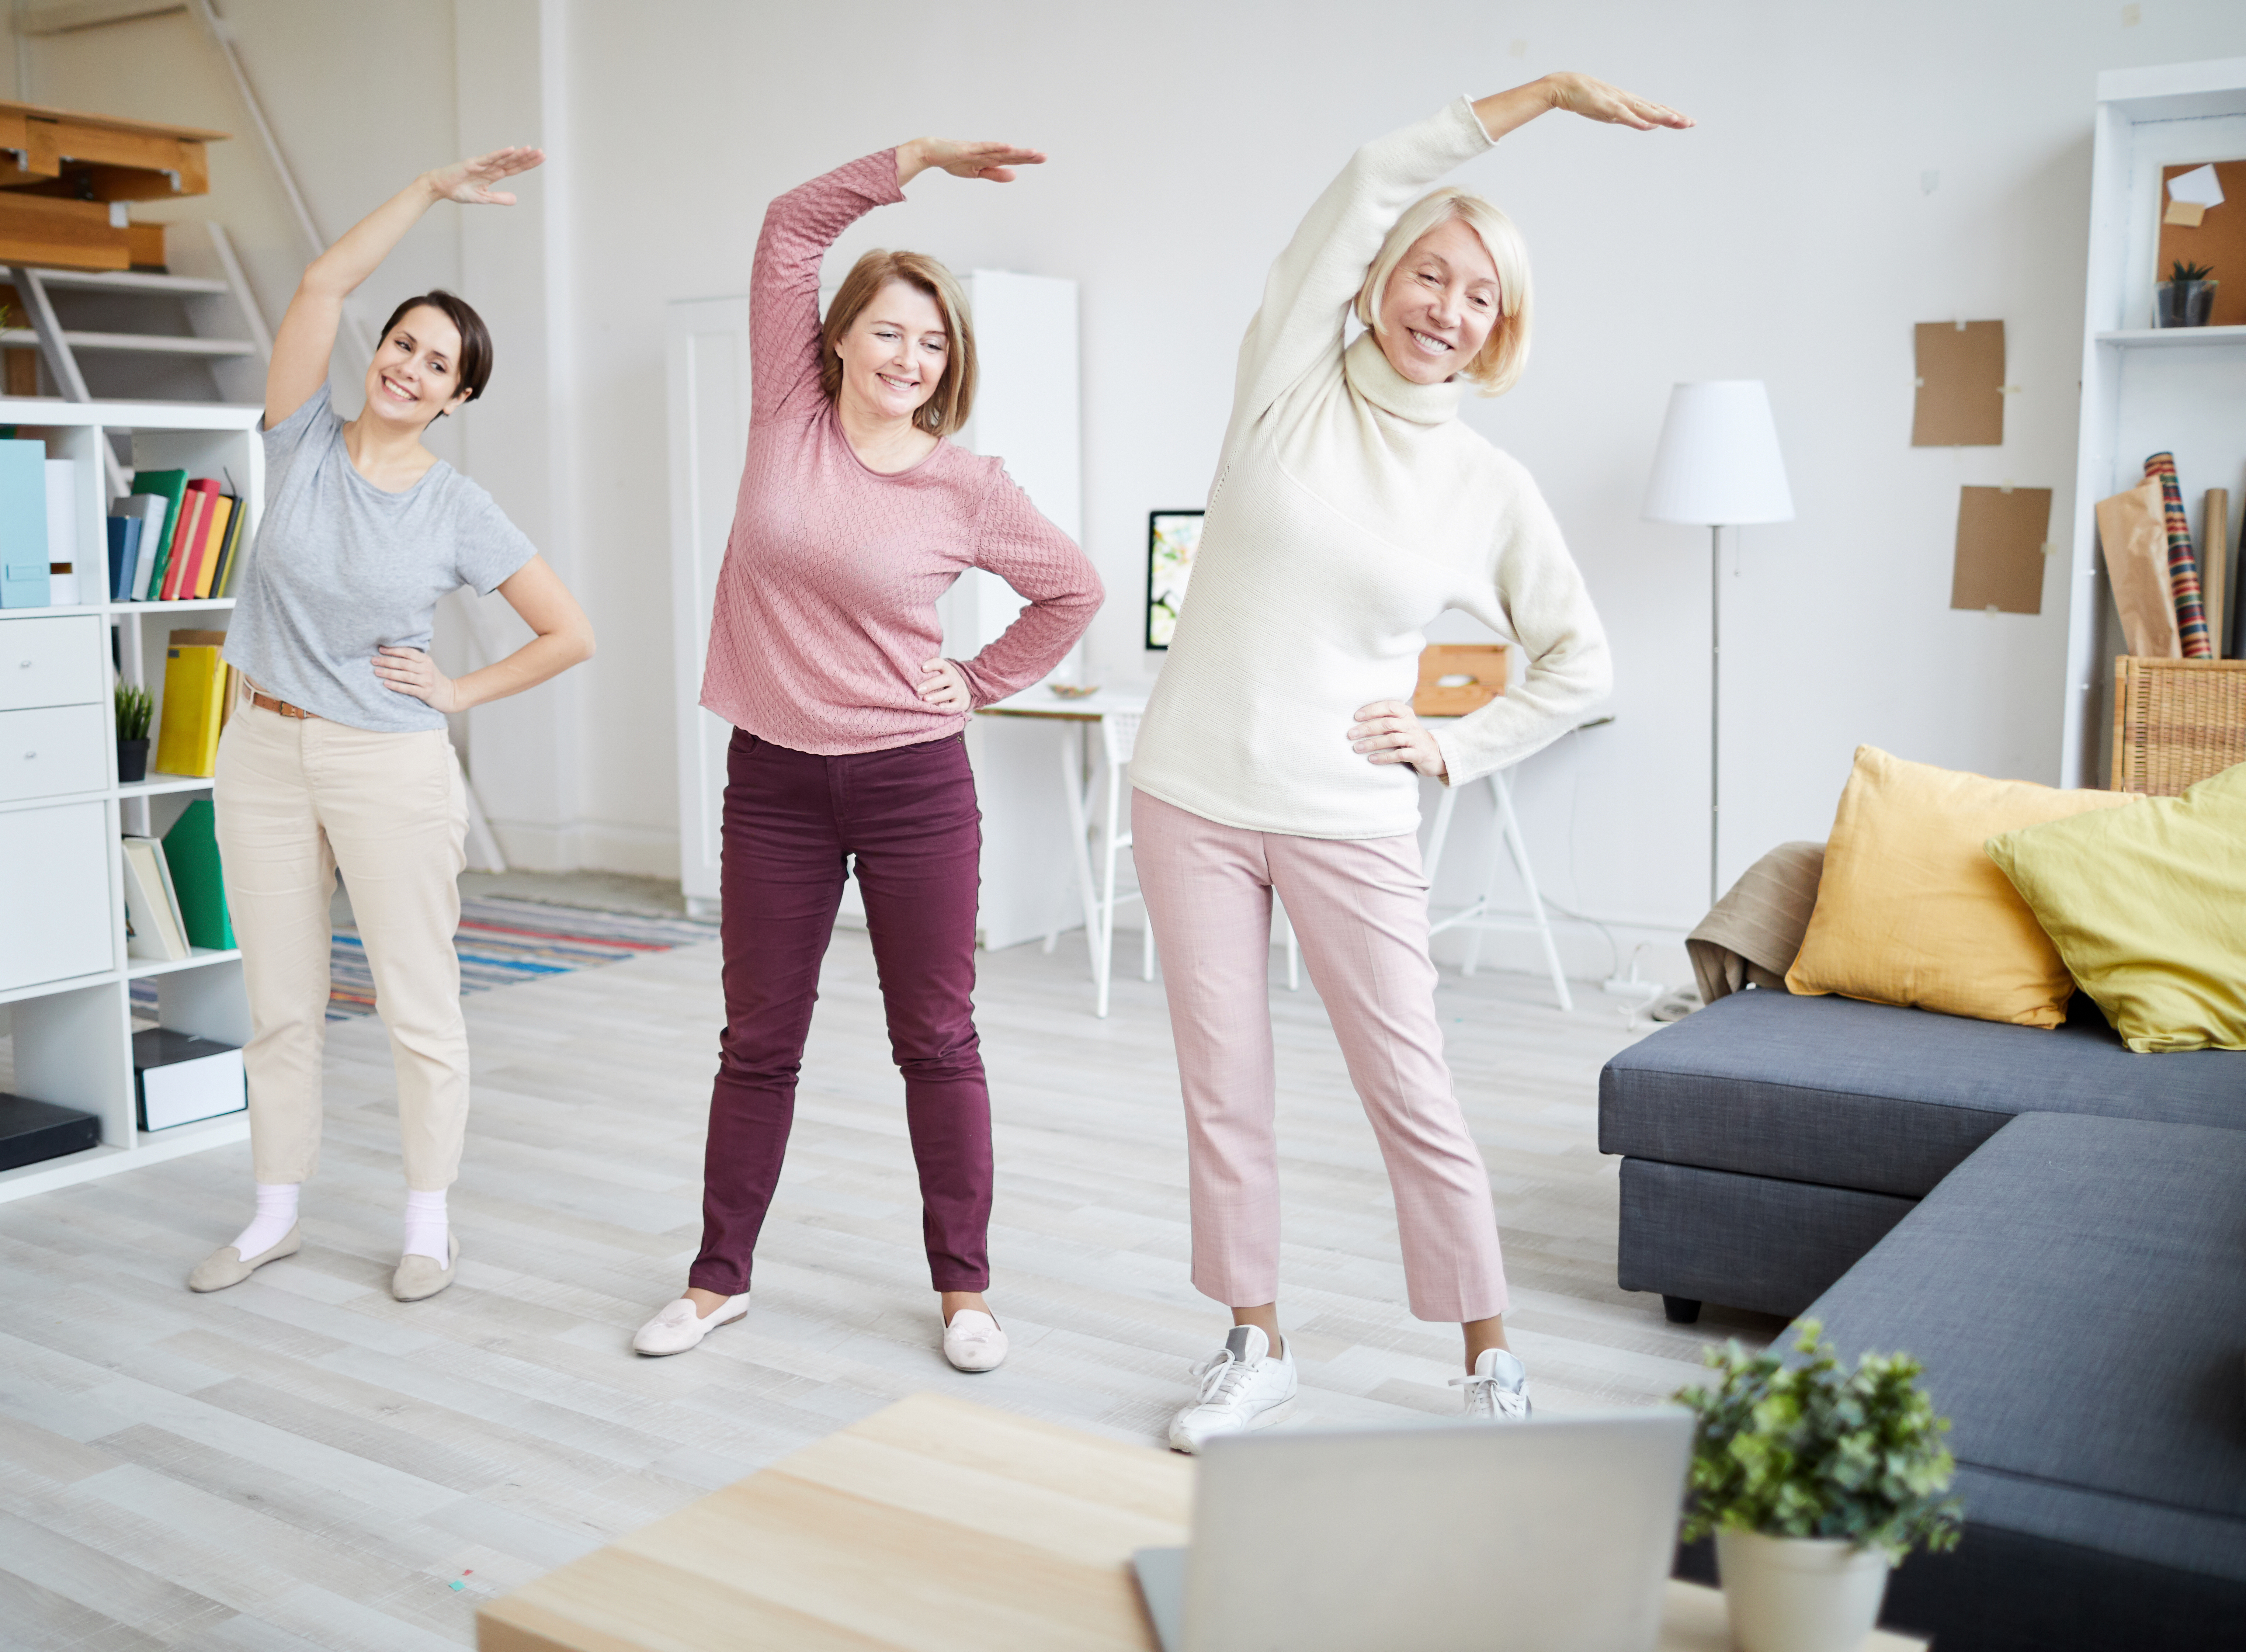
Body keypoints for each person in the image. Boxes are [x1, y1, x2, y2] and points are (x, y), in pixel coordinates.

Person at [1126, 74, 1689, 1450]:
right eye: (1427, 272)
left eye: (1478, 295)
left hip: (1344, 815)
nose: (1445, 304)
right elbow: (1378, 168)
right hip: (1189, 794)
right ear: (1377, 277)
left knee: (1413, 1094)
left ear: (1503, 330)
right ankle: (1254, 1342)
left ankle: (1487, 1357)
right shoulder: (1286, 380)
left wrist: (1451, 743)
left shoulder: (1488, 486)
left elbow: (1581, 664)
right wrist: (1545, 96)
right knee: (1226, 1090)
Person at [631, 138, 1104, 1372]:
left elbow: (1072, 591)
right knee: (758, 1042)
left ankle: (965, 1291)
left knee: (936, 1040)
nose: (911, 359)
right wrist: (916, 160)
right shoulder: (785, 415)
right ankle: (716, 1277)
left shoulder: (969, 484)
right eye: (890, 333)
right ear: (838, 339)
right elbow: (790, 227)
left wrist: (983, 679)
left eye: (934, 343)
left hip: (913, 789)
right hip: (774, 781)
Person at [188, 148, 595, 1304]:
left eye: (439, 365)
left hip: (387, 764)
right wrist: (423, 191)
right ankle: (274, 1215)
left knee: (420, 1005)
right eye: (404, 344)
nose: (411, 368)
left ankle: (428, 1225)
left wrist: (459, 694)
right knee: (279, 1002)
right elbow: (320, 285)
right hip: (262, 748)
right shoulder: (300, 440)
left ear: (462, 397)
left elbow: (571, 633)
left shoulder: (460, 509)